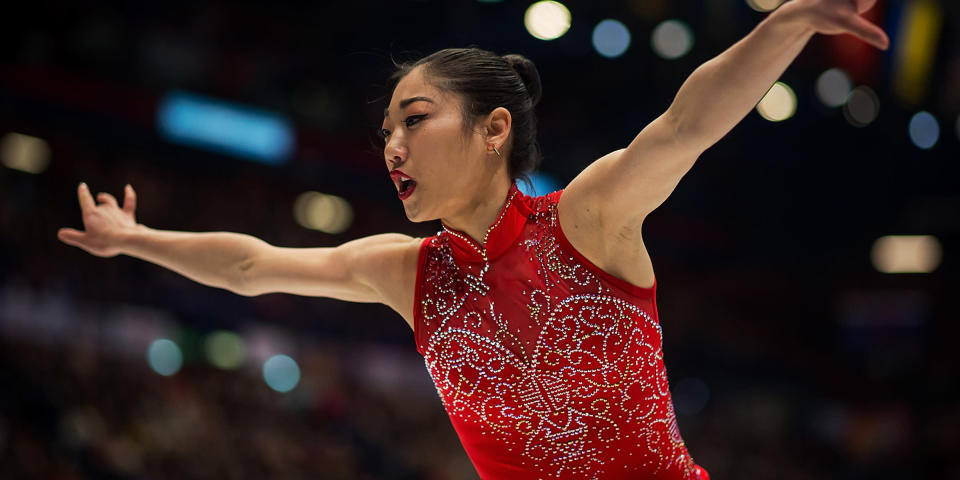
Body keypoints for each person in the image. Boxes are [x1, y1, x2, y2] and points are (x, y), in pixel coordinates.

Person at [58, 0, 888, 478]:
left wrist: (792, 23)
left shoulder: (587, 219)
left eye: (413, 121)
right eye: (385, 129)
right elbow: (249, 265)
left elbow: (685, 125)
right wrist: (136, 238)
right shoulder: (405, 272)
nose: (391, 147)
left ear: (495, 130)